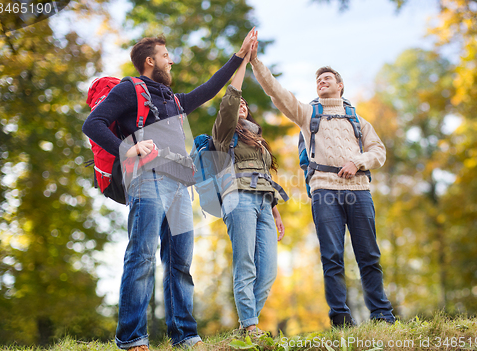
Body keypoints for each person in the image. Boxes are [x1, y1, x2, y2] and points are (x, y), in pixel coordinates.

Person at [82, 29, 257, 350]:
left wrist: (240, 55)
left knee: (179, 262)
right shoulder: (129, 89)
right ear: (150, 61)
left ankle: (186, 336)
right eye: (165, 56)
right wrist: (127, 148)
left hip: (178, 183)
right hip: (147, 178)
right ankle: (132, 338)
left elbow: (210, 88)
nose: (171, 60)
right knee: (142, 256)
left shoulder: (174, 100)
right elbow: (92, 124)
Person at [248, 36, 394, 327]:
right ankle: (340, 318)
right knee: (332, 257)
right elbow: (276, 92)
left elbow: (379, 151)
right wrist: (254, 61)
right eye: (318, 80)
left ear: (340, 85)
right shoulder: (307, 113)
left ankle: (382, 315)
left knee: (369, 254)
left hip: (360, 191)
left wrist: (359, 162)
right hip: (324, 191)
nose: (321, 82)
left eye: (327, 78)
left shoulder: (357, 120)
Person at [211, 44, 285, 336]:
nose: (241, 105)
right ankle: (251, 327)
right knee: (246, 264)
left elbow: (265, 176)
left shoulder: (258, 140)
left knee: (267, 272)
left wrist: (276, 212)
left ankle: (244, 327)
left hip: (265, 204)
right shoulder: (224, 133)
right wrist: (242, 60)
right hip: (238, 199)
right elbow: (231, 97)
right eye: (238, 103)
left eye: (244, 104)